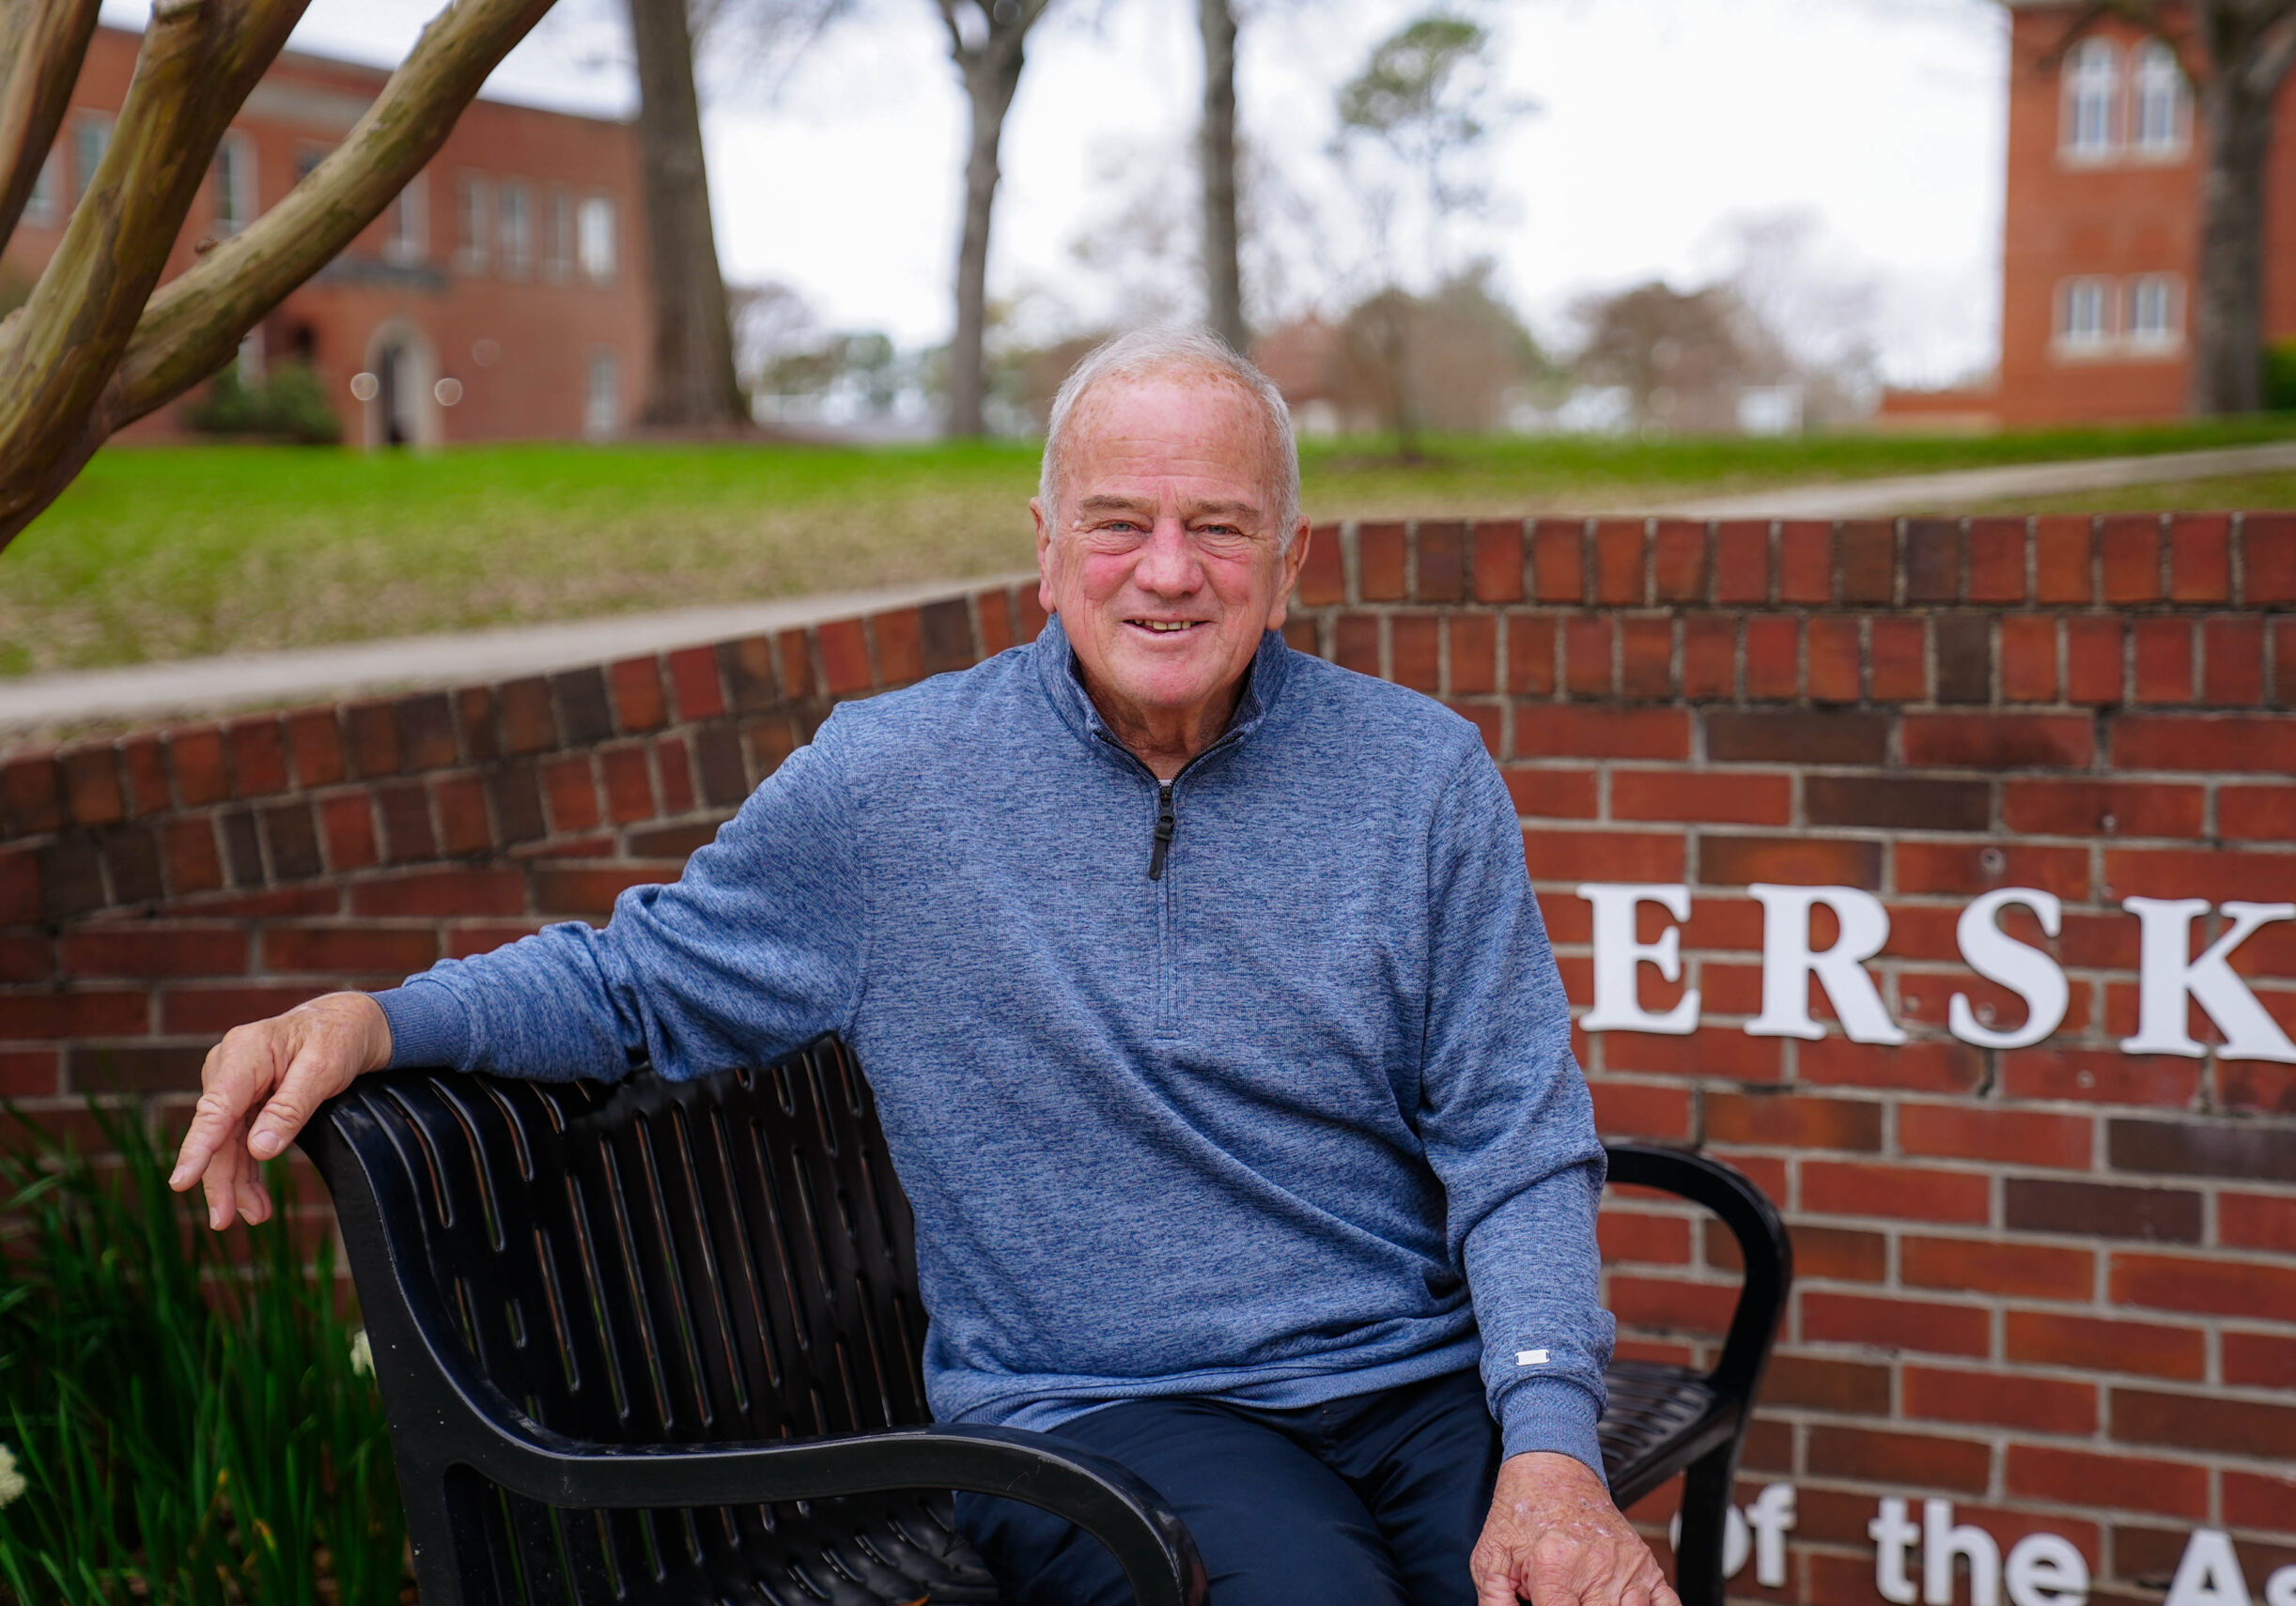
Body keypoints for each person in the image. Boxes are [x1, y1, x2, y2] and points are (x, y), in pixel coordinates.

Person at [169, 328, 1678, 1606]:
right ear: (1043, 550)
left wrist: (1548, 1438)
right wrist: (371, 1017)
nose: (1167, 572)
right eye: (1117, 521)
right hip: (1100, 1413)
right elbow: (638, 983)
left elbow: (1514, 1139)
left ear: (1289, 563)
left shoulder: (1420, 776)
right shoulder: (895, 787)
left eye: (1218, 526)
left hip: (1410, 1376)